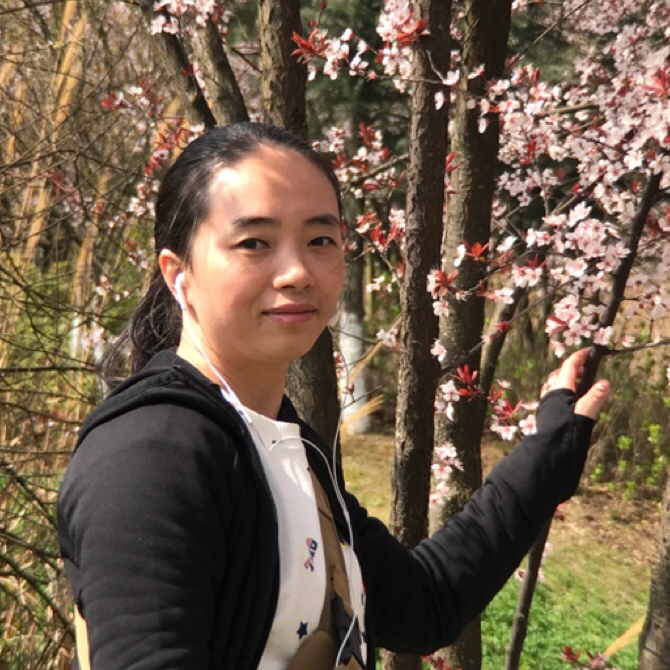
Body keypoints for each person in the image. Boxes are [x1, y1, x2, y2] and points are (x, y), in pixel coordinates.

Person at [57, 122, 611, 670]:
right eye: (254, 243)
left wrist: (548, 454)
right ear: (178, 274)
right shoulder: (150, 457)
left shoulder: (286, 445)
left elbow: (424, 602)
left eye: (320, 240)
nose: (298, 272)